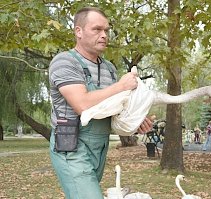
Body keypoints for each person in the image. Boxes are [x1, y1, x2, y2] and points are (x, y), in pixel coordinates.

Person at [48, 7, 152, 199]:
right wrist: (120, 86)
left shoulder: (109, 69)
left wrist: (135, 122)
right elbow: (82, 104)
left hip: (99, 147)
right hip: (72, 146)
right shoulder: (64, 62)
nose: (104, 35)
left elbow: (111, 108)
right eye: (97, 29)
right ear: (78, 31)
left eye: (106, 30)